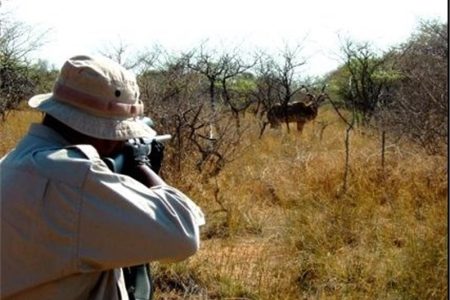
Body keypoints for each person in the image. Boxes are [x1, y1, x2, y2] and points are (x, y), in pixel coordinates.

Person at [0, 55, 205, 300]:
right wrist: (141, 165)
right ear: (106, 135)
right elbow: (183, 235)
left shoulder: (12, 162)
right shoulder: (76, 177)